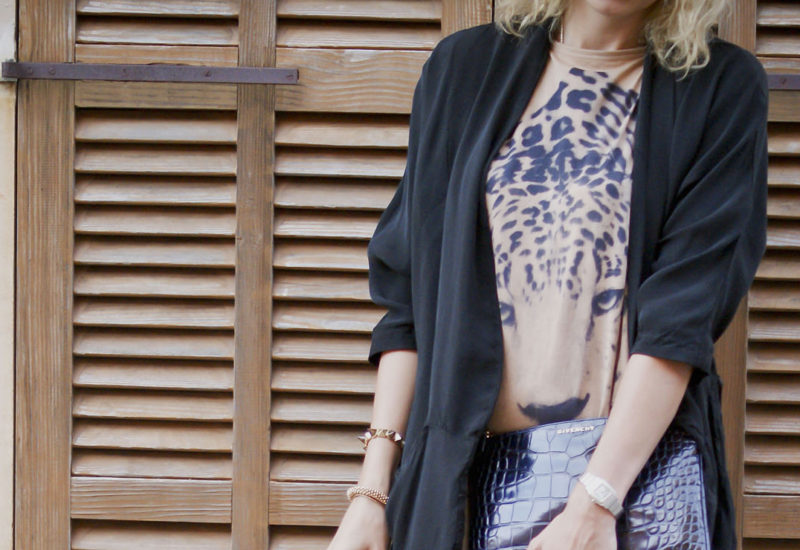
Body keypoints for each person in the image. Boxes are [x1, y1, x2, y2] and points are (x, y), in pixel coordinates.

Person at [328, 0, 769, 548]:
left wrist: (596, 503)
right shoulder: (463, 68)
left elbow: (681, 322)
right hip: (459, 492)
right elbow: (410, 301)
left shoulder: (721, 85)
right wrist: (372, 491)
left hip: (631, 493)